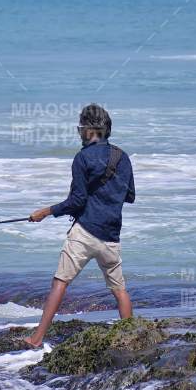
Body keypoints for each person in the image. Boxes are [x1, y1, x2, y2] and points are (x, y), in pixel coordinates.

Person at [23, 104, 135, 348]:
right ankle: (132, 338)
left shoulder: (82, 158)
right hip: (111, 236)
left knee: (60, 283)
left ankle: (36, 338)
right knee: (119, 290)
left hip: (85, 233)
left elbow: (77, 201)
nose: (78, 133)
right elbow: (130, 196)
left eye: (79, 128)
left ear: (89, 130)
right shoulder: (122, 157)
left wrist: (45, 212)